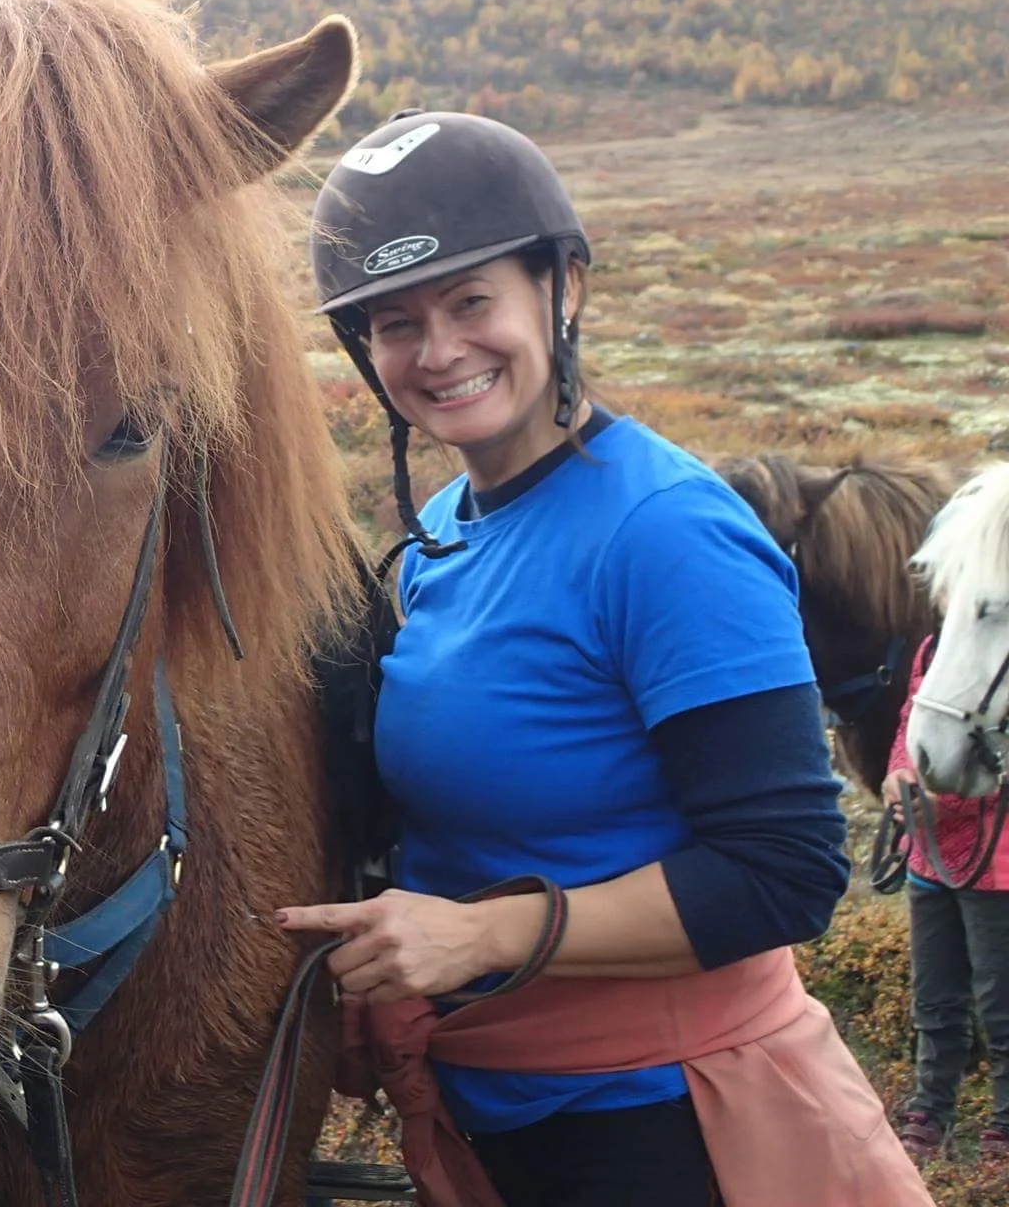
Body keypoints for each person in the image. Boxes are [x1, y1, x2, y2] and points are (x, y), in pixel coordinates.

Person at [274, 110, 926, 1206]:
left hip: (671, 1131)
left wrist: (476, 935)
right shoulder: (445, 534)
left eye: (471, 301)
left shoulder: (665, 532)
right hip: (507, 1124)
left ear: (561, 287)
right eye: (393, 324)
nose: (435, 352)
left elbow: (784, 871)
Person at [884, 644, 1009, 1162]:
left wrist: (945, 804)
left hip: (996, 863)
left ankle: (1004, 1127)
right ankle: (930, 1112)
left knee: (1001, 1006)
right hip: (930, 860)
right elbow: (912, 717)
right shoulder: (935, 647)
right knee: (934, 998)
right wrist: (898, 776)